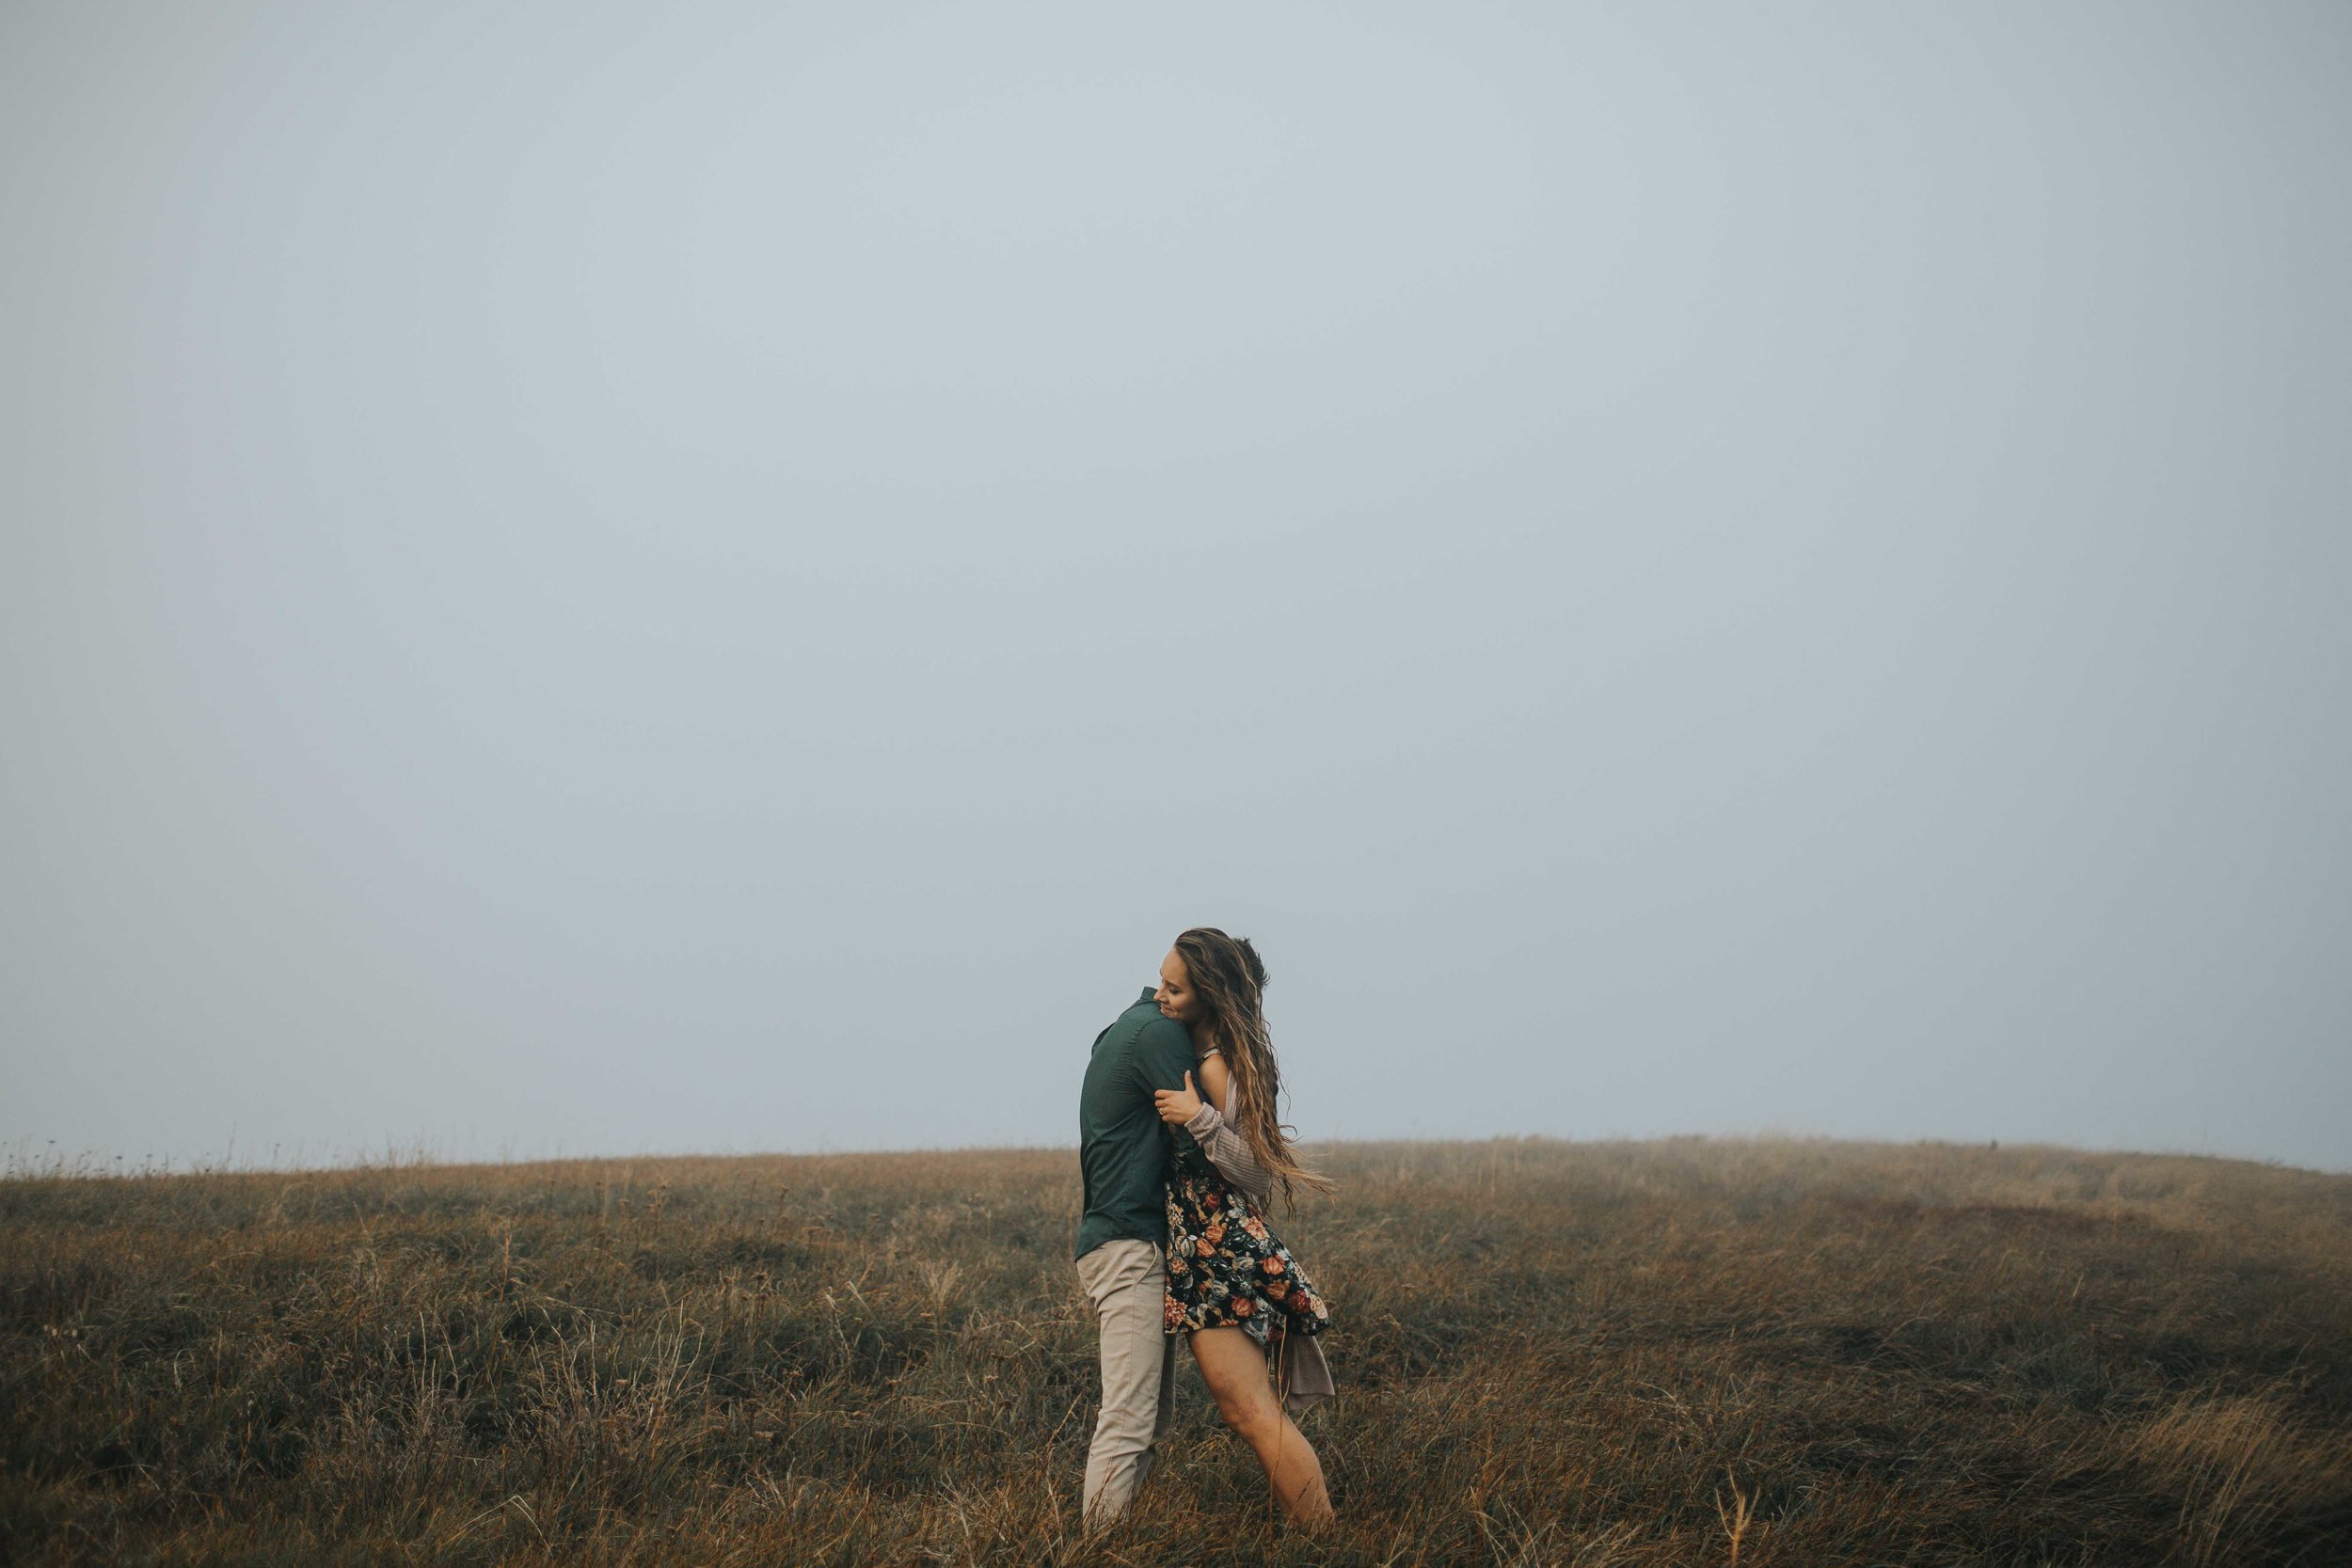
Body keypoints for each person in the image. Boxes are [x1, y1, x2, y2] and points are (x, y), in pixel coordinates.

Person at [1149, 927, 1336, 1525]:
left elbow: (1255, 1172)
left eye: (1174, 989)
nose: (1161, 996)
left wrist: (1198, 1119)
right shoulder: (1214, 1058)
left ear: (1208, 992)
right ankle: (1312, 1533)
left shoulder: (1214, 1068)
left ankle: (1326, 1538)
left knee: (1252, 1413)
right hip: (1214, 1253)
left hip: (1217, 1257)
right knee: (1252, 1412)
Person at [1073, 968, 1217, 1525]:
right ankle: (1098, 1551)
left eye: (1173, 986)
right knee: (1129, 1419)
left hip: (1125, 1238)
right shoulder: (1159, 1034)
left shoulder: (1132, 1026)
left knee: (1146, 1423)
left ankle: (1123, 1540)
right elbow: (1202, 1150)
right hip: (1130, 1243)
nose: (1161, 994)